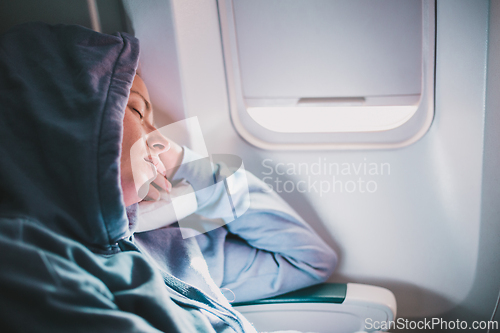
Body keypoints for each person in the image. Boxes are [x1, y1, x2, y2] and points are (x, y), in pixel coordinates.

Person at [0, 22, 337, 332]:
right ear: (59, 128)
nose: (160, 138)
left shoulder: (165, 243)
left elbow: (307, 259)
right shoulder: (28, 261)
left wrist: (183, 162)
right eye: (136, 110)